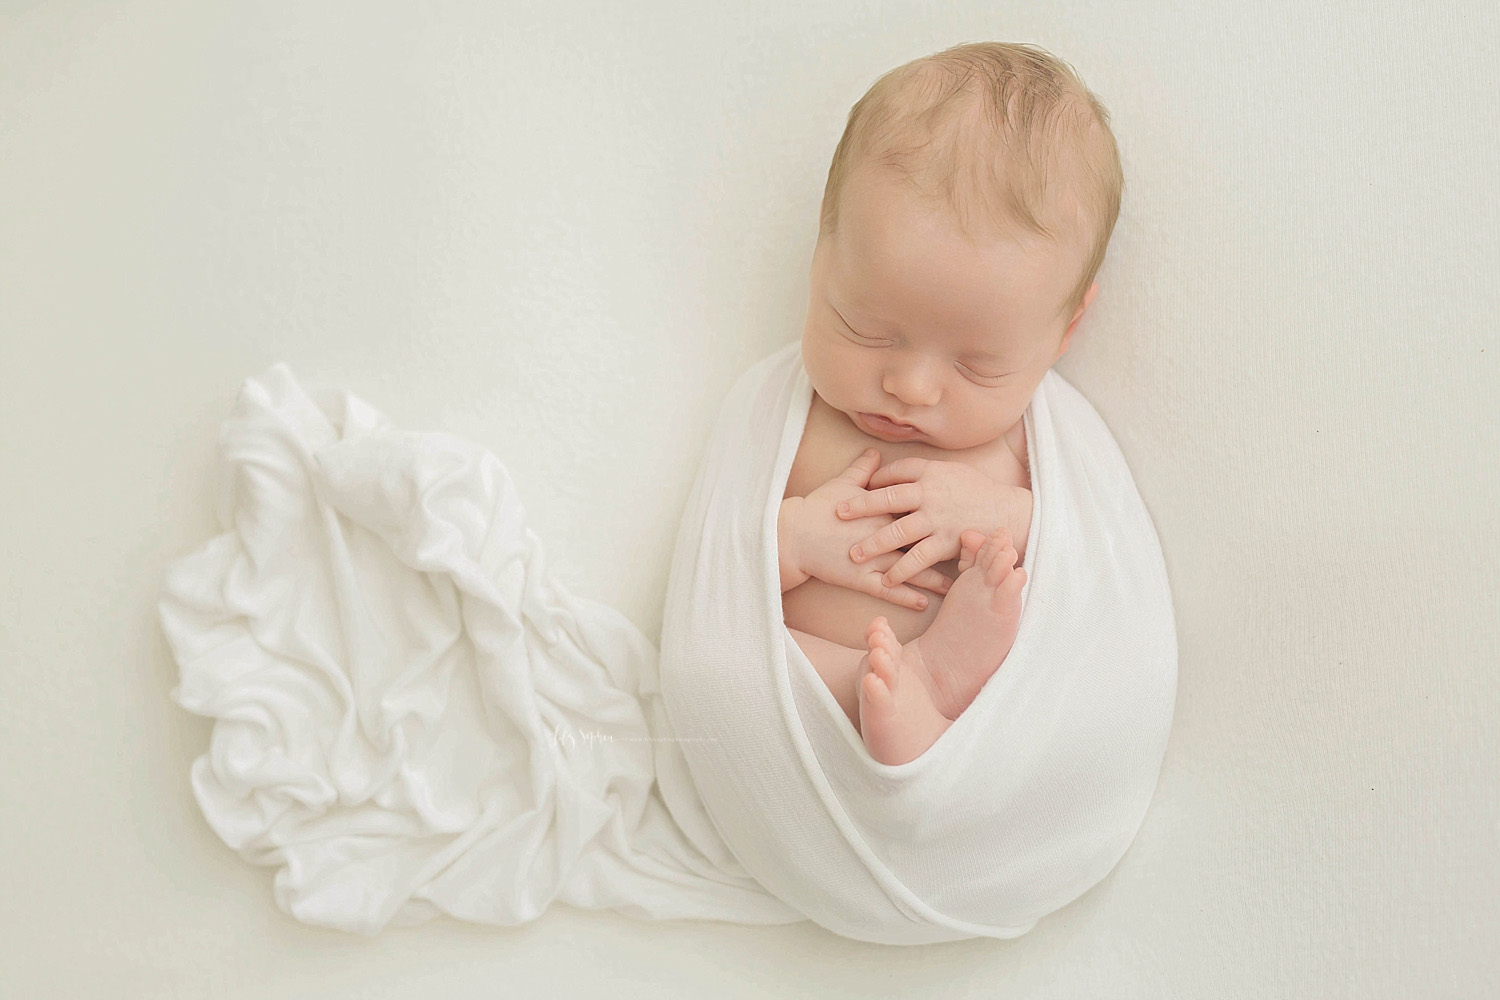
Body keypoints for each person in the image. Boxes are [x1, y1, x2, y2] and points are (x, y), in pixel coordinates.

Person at [776, 41, 1123, 765]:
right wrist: (795, 541)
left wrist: (1002, 515)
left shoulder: (1042, 441)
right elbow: (716, 578)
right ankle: (910, 684)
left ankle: (939, 680)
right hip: (794, 714)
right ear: (823, 246)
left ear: (1066, 329)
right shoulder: (781, 417)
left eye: (976, 364)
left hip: (978, 744)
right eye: (865, 329)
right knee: (766, 662)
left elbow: (1097, 561)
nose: (913, 388)